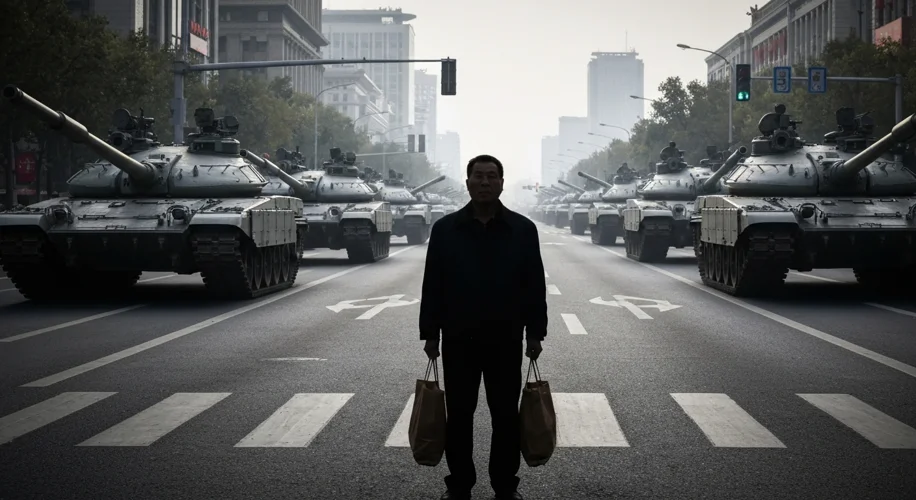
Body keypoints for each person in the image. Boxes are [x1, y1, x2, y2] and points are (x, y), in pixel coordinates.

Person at [419, 154, 548, 500]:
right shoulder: (446, 229)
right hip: (459, 338)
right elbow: (433, 284)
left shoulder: (522, 230)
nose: (485, 182)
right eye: (479, 176)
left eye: (492, 177)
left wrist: (536, 331)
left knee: (505, 417)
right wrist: (430, 332)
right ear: (468, 183)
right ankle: (459, 484)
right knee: (459, 416)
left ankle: (505, 485)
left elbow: (534, 284)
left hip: (505, 338)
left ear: (502, 183)